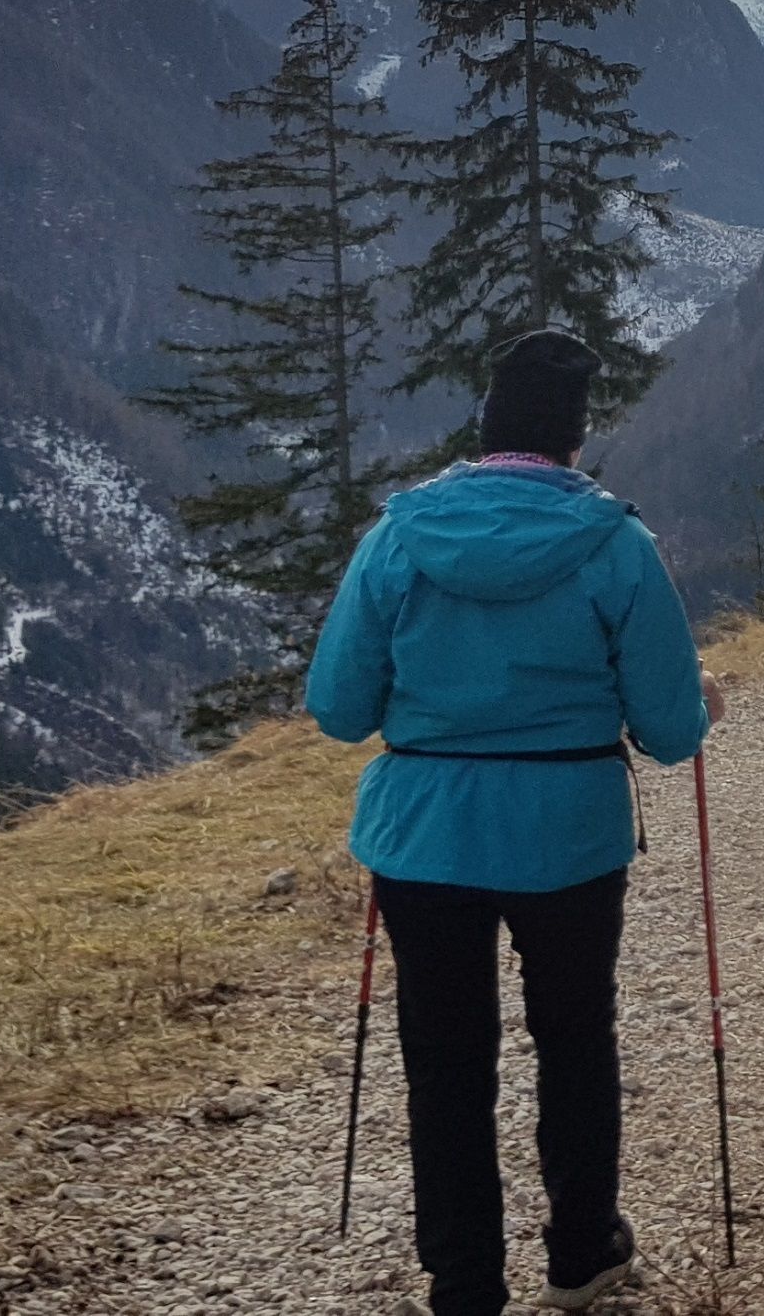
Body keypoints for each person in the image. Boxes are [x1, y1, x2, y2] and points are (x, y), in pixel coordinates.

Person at [307, 329, 720, 1316]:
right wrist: (697, 700)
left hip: (425, 835)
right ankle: (581, 1253)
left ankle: (464, 1284)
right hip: (568, 835)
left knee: (445, 1061)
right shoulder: (615, 544)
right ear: (574, 439)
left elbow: (338, 708)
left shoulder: (398, 538)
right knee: (574, 1040)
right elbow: (671, 732)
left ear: (483, 430)